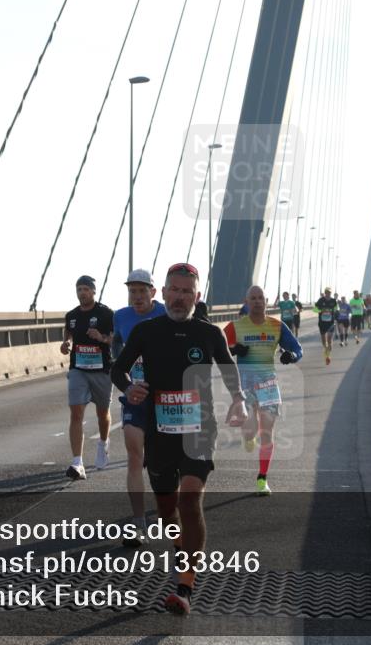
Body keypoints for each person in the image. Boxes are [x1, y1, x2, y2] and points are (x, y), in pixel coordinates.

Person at [111, 263, 247, 615]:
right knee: (168, 511)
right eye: (175, 289)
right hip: (159, 433)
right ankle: (182, 551)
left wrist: (239, 400)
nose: (180, 297)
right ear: (164, 293)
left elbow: (229, 369)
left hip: (199, 430)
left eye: (188, 291)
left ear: (196, 297)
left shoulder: (209, 334)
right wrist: (130, 388)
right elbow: (118, 368)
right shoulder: (146, 331)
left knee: (190, 500)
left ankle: (185, 586)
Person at [223, 286, 302, 496]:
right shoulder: (236, 326)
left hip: (268, 385)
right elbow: (216, 348)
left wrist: (292, 356)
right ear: (246, 302)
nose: (257, 301)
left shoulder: (277, 326)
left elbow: (297, 348)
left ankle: (262, 478)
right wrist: (233, 349)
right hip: (245, 386)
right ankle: (248, 436)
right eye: (253, 298)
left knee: (267, 432)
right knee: (250, 430)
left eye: (261, 298)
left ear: (266, 301)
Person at [112, 269, 167, 547]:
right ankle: (137, 524)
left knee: (165, 464)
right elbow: (117, 351)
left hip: (167, 399)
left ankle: (166, 509)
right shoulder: (120, 316)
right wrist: (127, 384)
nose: (136, 296)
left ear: (153, 293)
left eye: (141, 291)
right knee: (135, 456)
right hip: (136, 397)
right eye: (132, 291)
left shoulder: (168, 313)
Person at [60, 275, 115, 480]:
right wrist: (65, 344)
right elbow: (68, 333)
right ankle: (77, 462)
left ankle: (103, 443)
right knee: (76, 413)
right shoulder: (72, 315)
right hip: (78, 369)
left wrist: (101, 338)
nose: (81, 292)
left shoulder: (106, 313)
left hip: (101, 370)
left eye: (85, 289)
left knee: (103, 413)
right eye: (79, 289)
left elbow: (116, 340)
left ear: (93, 291)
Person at [314, 287, 339, 365]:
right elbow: (314, 309)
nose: (328, 293)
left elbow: (337, 309)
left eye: (329, 292)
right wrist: (321, 310)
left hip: (330, 323)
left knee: (329, 340)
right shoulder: (321, 300)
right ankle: (326, 352)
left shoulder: (333, 301)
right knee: (324, 341)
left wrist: (335, 311)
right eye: (327, 292)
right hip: (322, 323)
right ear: (325, 293)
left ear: (331, 293)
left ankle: (328, 356)